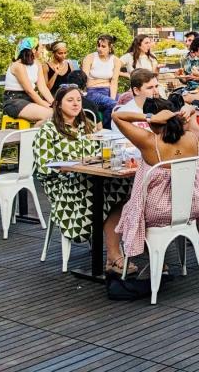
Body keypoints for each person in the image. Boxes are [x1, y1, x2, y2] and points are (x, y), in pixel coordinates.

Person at [32, 84, 131, 273]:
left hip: (88, 179)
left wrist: (98, 157)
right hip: (64, 187)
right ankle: (114, 256)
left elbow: (97, 152)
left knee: (123, 186)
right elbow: (44, 166)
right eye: (70, 100)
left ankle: (115, 254)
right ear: (58, 104)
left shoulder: (87, 126)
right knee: (113, 193)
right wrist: (71, 167)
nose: (76, 104)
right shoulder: (48, 130)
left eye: (78, 100)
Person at [113, 97, 199, 262]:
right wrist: (188, 109)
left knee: (130, 206)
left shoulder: (149, 141)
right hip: (192, 207)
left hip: (160, 212)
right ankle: (159, 261)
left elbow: (116, 116)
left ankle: (152, 260)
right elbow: (193, 112)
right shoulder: (193, 137)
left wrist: (149, 117)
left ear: (153, 121)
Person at [3, 37, 54, 123]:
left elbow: (42, 87)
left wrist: (54, 103)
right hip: (14, 101)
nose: (42, 50)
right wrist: (47, 105)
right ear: (34, 50)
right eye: (41, 47)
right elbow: (29, 90)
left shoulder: (37, 64)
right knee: (50, 115)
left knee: (59, 112)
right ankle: (34, 136)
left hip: (29, 99)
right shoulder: (18, 66)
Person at [82, 35, 121, 128]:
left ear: (110, 47)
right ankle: (104, 129)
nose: (100, 49)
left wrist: (112, 98)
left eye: (103, 46)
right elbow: (83, 78)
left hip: (108, 91)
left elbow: (114, 82)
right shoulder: (90, 58)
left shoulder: (115, 60)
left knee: (123, 104)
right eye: (98, 45)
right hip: (92, 91)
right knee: (113, 104)